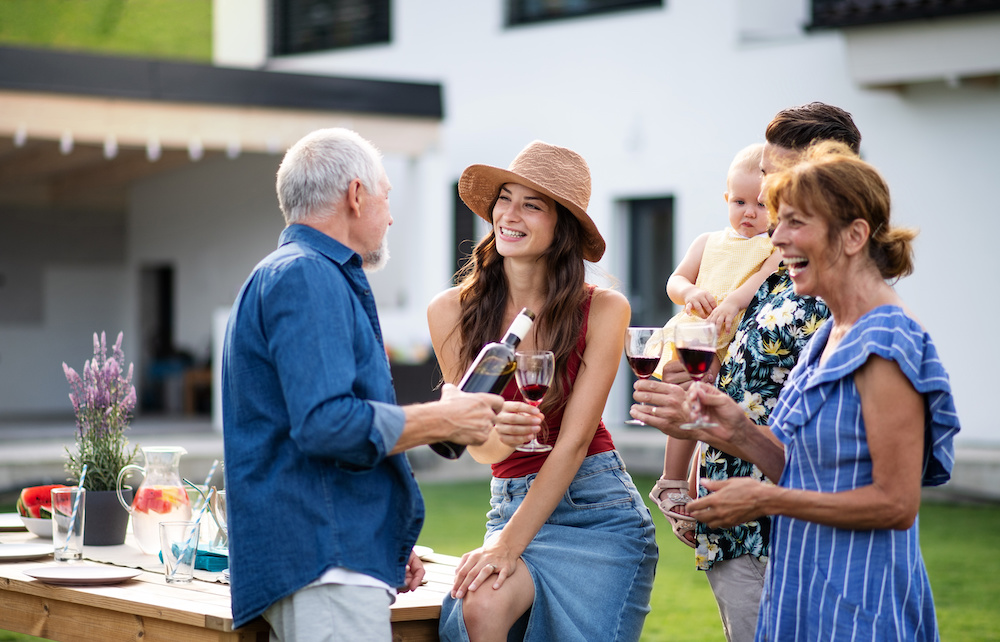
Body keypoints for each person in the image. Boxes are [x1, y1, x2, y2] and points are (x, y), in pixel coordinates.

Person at [641, 141, 961, 640]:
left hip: (860, 605)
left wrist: (769, 502)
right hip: (803, 588)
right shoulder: (831, 333)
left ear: (854, 236)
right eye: (778, 219)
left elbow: (895, 505)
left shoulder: (886, 340)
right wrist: (732, 428)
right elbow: (805, 466)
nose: (777, 236)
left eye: (795, 222)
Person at [221, 128, 504, 639]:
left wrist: (377, 539)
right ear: (355, 195)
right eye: (386, 196)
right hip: (324, 565)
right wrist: (444, 417)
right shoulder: (308, 276)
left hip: (326, 554)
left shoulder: (286, 272)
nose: (391, 216)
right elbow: (327, 424)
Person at [641, 102, 861, 642]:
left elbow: (845, 465)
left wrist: (737, 436)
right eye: (762, 176)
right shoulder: (783, 276)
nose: (761, 197)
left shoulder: (840, 301)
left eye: (774, 176)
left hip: (787, 545)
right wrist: (704, 396)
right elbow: (760, 393)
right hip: (737, 534)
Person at [427, 140, 658, 641]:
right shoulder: (451, 313)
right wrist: (498, 436)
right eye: (505, 198)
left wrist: (508, 546)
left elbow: (574, 443)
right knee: (479, 609)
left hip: (598, 510)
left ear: (562, 228)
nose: (510, 215)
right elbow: (481, 449)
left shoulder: (604, 309)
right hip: (510, 498)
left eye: (532, 204)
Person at [649, 142, 781, 549]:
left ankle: (694, 492)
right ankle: (671, 480)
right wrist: (690, 292)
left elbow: (755, 285)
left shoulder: (774, 247)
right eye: (739, 201)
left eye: (760, 204)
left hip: (734, 342)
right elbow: (674, 280)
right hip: (698, 337)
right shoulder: (708, 241)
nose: (748, 212)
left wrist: (732, 302)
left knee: (711, 422)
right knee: (690, 403)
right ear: (726, 199)